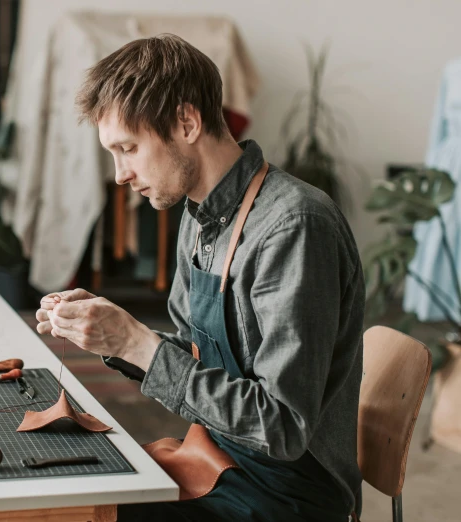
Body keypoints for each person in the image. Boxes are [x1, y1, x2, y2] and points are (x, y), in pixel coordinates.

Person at [35, 34, 365, 522]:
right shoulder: (197, 213)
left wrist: (138, 346)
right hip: (218, 455)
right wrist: (113, 333)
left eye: (128, 148)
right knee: (71, 493)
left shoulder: (293, 227)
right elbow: (195, 354)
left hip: (287, 494)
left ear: (186, 122)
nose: (120, 173)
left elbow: (282, 429)